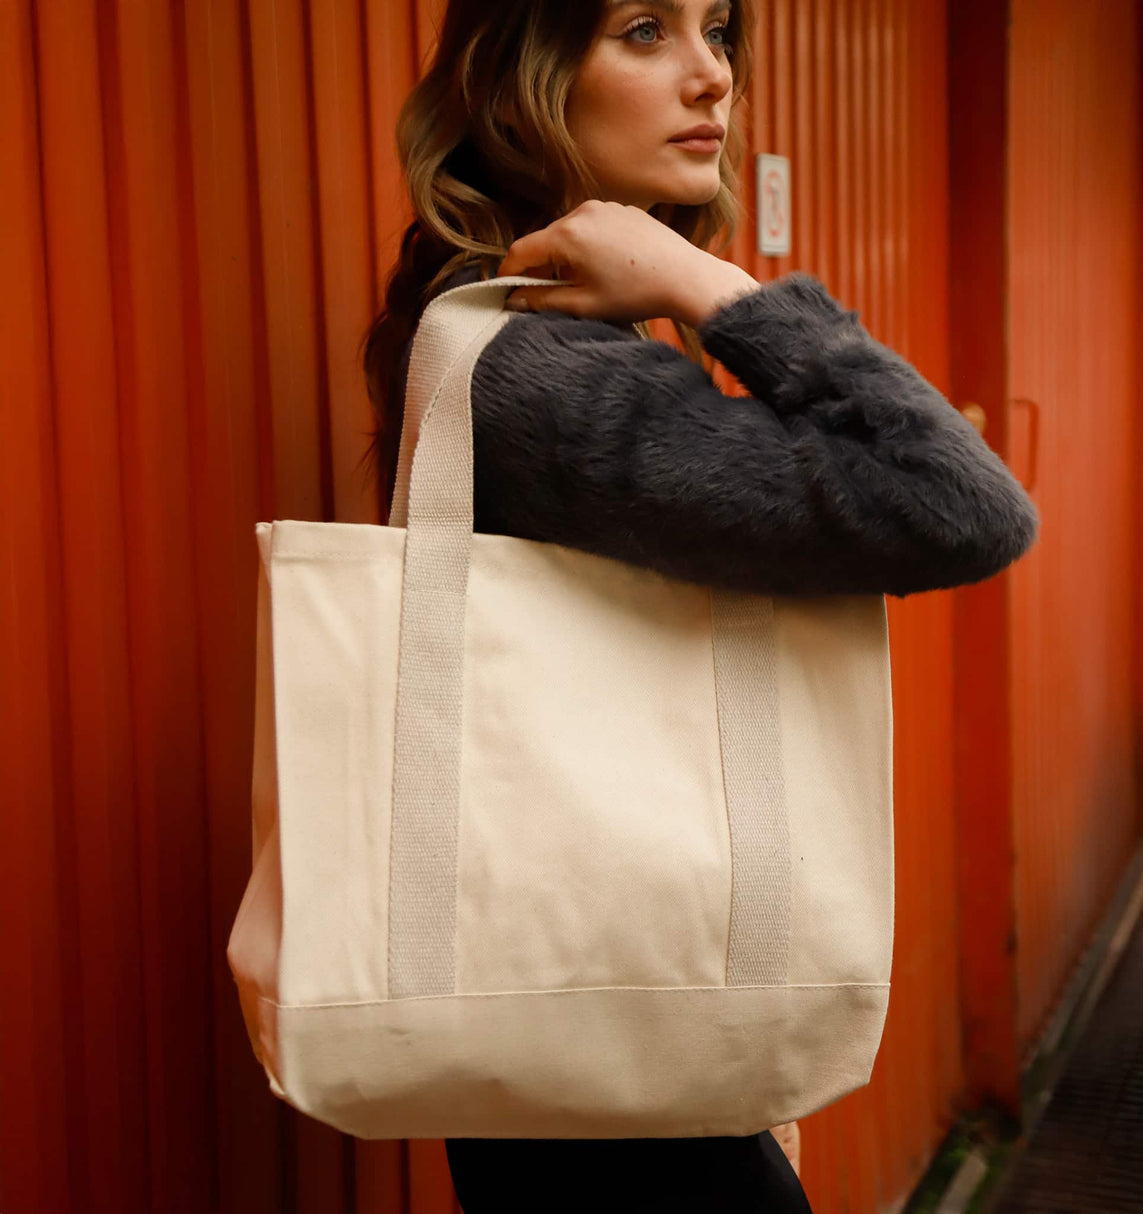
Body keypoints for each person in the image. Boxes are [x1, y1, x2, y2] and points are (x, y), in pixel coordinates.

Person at [360, 0, 1040, 1209]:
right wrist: (715, 286)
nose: (710, 75)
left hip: (579, 1018)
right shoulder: (539, 369)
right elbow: (962, 503)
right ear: (521, 78)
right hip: (608, 1056)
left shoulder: (507, 322)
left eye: (716, 29)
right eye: (643, 30)